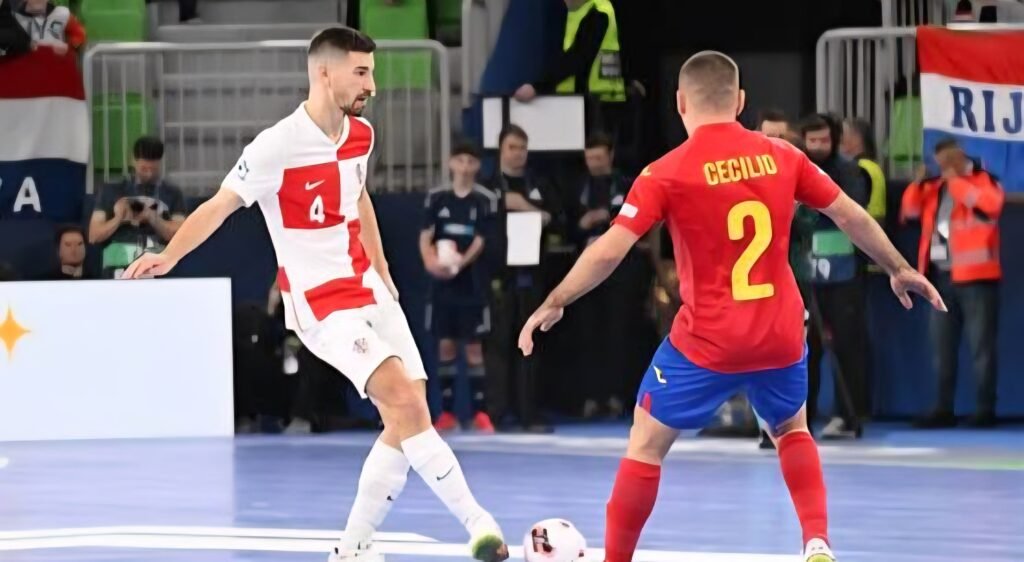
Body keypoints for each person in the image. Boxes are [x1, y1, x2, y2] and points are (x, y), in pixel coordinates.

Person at [518, 51, 946, 562]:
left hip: (708, 341)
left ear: (680, 103)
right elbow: (850, 215)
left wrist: (556, 299)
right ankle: (816, 542)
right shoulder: (783, 156)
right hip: (780, 333)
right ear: (740, 101)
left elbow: (611, 250)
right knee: (791, 429)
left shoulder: (664, 172)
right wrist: (899, 267)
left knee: (645, 443)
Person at [121, 26, 508, 562]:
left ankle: (352, 548)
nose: (372, 85)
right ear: (324, 73)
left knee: (407, 412)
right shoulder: (276, 145)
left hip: (368, 286)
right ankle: (479, 524)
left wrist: (381, 266)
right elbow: (220, 205)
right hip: (321, 303)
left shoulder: (361, 134)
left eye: (372, 72)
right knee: (403, 401)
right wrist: (170, 256)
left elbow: (359, 197)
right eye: (361, 72)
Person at [903, 139, 1004, 428]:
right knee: (942, 349)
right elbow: (909, 211)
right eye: (940, 162)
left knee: (981, 348)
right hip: (940, 277)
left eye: (948, 160)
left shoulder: (984, 180)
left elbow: (991, 206)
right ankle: (942, 409)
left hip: (977, 278)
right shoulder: (934, 187)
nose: (943, 166)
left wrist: (957, 180)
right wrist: (918, 182)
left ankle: (985, 410)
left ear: (960, 156)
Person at [485, 124, 563, 433]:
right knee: (498, 345)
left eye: (522, 148)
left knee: (529, 345)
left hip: (532, 275)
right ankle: (496, 413)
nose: (518, 154)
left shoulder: (538, 184)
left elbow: (556, 218)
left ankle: (529, 413)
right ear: (501, 150)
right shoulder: (489, 186)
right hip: (499, 277)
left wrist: (525, 207)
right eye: (512, 148)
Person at [801, 114, 871, 439]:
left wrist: (812, 207)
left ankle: (849, 415)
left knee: (846, 345)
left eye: (824, 140)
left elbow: (851, 211)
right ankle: (803, 416)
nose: (818, 146)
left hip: (843, 274)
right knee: (805, 349)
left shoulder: (850, 171)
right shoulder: (797, 169)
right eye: (812, 140)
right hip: (806, 273)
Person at [420, 141, 497, 433]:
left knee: (474, 348)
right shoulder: (436, 198)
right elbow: (425, 236)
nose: (465, 167)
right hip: (443, 288)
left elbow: (481, 239)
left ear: (477, 166)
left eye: (470, 161)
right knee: (446, 346)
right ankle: (448, 413)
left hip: (472, 285)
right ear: (451, 163)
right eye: (460, 160)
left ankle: (480, 413)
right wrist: (431, 263)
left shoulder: (484, 199)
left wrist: (459, 264)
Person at [89, 136, 187, 279]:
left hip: (155, 269)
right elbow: (94, 235)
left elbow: (180, 235)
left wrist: (153, 217)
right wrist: (119, 218)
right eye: (144, 169)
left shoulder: (172, 194)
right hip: (117, 268)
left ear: (160, 163)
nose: (148, 173)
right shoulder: (111, 191)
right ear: (133, 161)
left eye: (153, 169)